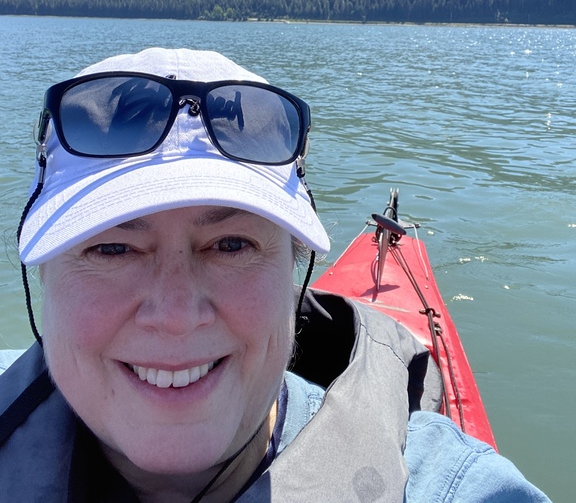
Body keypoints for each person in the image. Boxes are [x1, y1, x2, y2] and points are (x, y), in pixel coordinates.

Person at [0, 47, 550, 502]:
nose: (174, 315)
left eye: (231, 244)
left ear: (293, 270)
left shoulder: (449, 486)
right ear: (43, 276)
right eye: (113, 249)